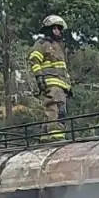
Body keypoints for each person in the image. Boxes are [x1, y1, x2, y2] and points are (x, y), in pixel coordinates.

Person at [28, 15, 72, 143]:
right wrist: (39, 78)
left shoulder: (60, 47)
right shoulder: (42, 44)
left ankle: (45, 137)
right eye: (55, 28)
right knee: (54, 110)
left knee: (58, 111)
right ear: (48, 29)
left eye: (59, 28)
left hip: (61, 86)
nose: (58, 30)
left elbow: (63, 69)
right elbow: (34, 60)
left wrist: (68, 86)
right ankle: (56, 137)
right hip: (50, 84)